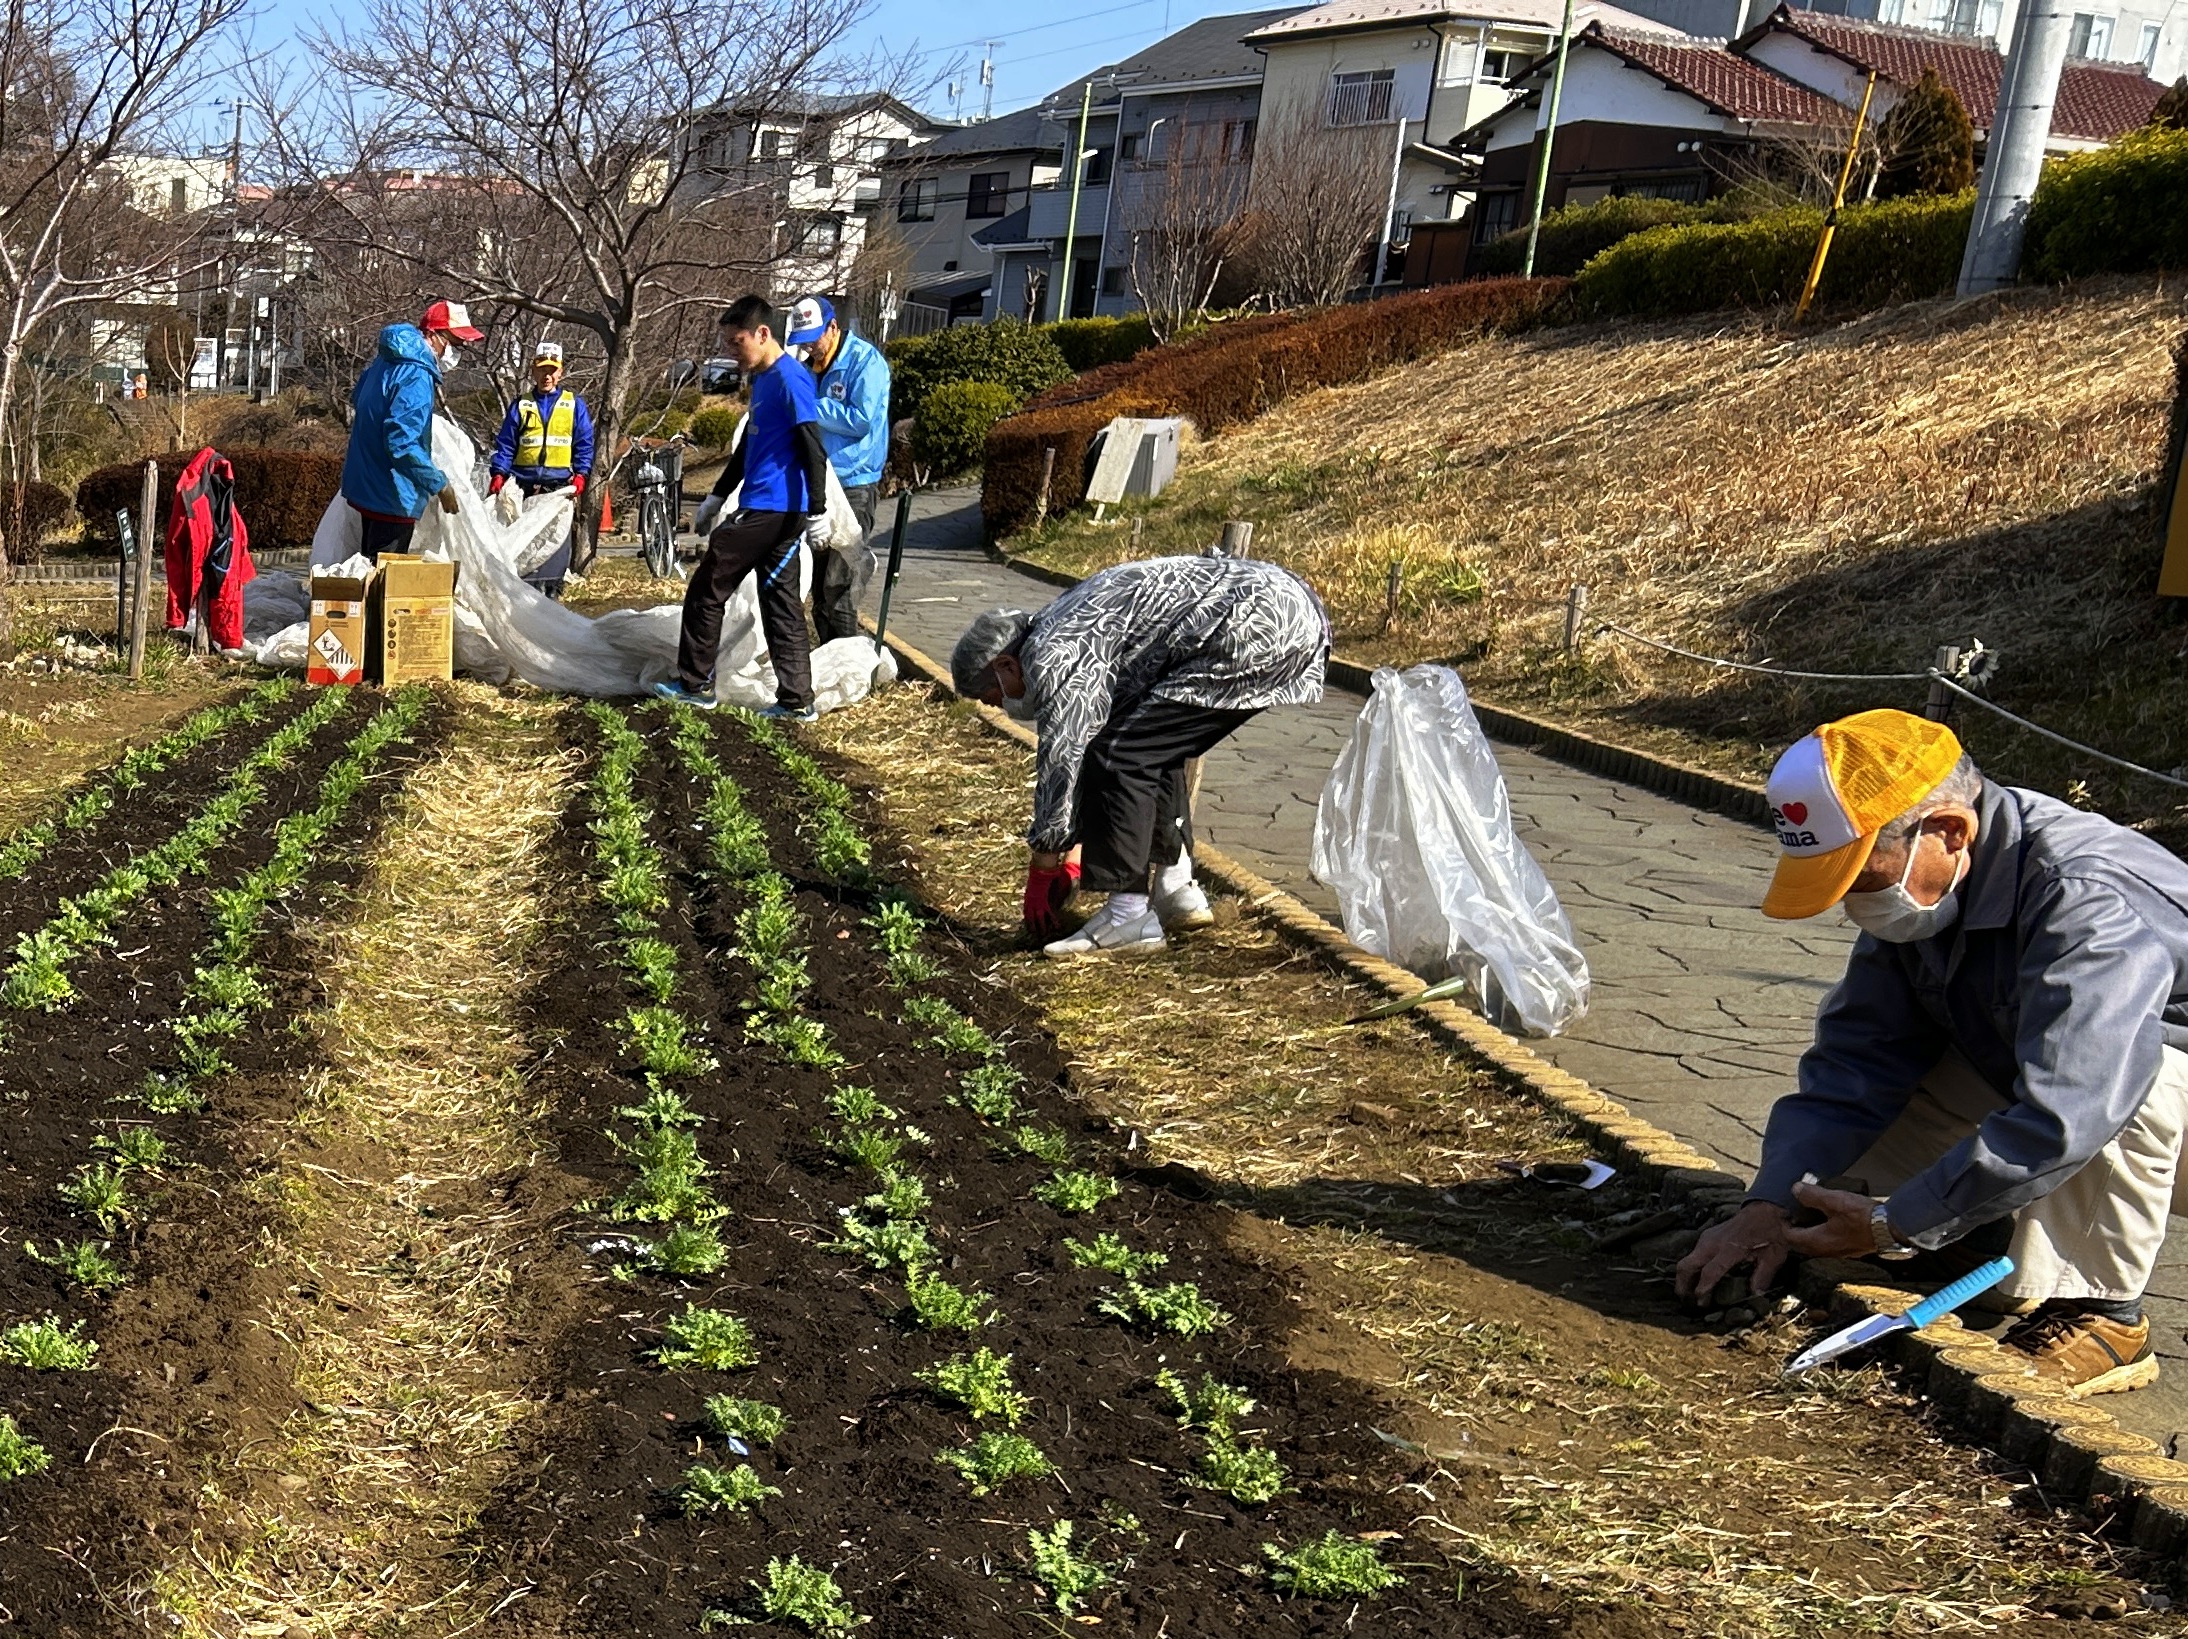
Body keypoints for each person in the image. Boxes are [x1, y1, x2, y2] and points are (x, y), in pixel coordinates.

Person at [1675, 709, 2188, 1397]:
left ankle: (2102, 1312)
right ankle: (1976, 1239)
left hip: (2153, 1104)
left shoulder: (2084, 900)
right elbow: (1860, 1059)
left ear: (1948, 831)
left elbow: (2074, 1104)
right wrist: (1771, 1203)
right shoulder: (1931, 893)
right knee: (1849, 1161)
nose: (1855, 903)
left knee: (2126, 1074)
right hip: (2071, 1084)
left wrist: (1899, 1221)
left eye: (1861, 875)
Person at [949, 554, 1330, 959]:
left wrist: (1045, 863)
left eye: (992, 698)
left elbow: (1063, 757)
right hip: (1285, 611)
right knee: (1149, 741)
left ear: (1005, 664)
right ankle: (1177, 890)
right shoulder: (1058, 626)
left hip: (1255, 628)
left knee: (1120, 754)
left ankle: (1128, 917)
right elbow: (1093, 737)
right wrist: (1076, 851)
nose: (1001, 708)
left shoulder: (1052, 653)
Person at [655, 295, 826, 718]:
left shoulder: (791, 379)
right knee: (781, 602)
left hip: (773, 508)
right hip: (771, 507)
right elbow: (748, 449)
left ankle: (696, 685)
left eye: (737, 342)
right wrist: (716, 495)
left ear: (763, 334)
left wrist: (818, 508)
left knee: (706, 588)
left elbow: (813, 446)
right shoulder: (765, 380)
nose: (732, 351)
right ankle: (797, 701)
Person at [783, 293, 889, 641]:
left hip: (854, 482)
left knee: (839, 587)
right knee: (817, 587)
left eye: (813, 338)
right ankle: (830, 658)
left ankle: (849, 664)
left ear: (832, 326)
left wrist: (811, 405)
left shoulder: (865, 362)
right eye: (802, 341)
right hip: (817, 482)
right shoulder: (805, 369)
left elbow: (861, 420)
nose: (809, 347)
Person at [340, 300, 480, 560]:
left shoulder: (385, 361)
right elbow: (401, 443)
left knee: (368, 568)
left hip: (366, 482)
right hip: (391, 494)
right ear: (433, 335)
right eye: (455, 342)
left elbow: (359, 399)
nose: (457, 351)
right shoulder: (416, 375)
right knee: (385, 581)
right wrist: (439, 484)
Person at [488, 340, 595, 598]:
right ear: (533, 371)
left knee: (553, 546)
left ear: (560, 372)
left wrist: (581, 475)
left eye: (552, 370)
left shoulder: (573, 405)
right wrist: (499, 474)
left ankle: (551, 593)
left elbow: (584, 442)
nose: (547, 375)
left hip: (558, 490)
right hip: (525, 489)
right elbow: (506, 443)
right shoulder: (521, 405)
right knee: (525, 546)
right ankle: (522, 595)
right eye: (541, 369)